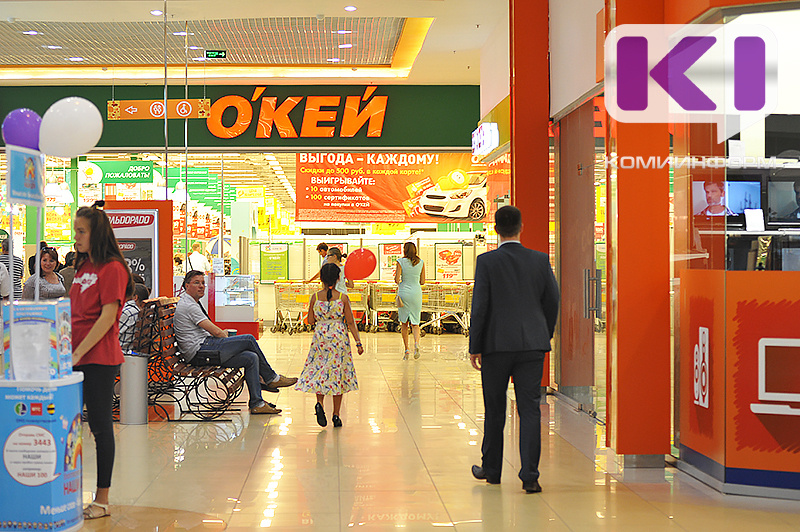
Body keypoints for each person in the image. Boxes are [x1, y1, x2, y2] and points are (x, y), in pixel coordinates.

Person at [469, 205, 559, 494]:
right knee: (530, 409)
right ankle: (530, 476)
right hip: (532, 346)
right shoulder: (539, 260)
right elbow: (552, 300)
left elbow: (480, 306)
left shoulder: (487, 262)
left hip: (495, 346)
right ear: (522, 227)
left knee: (495, 408)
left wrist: (475, 346)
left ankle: (492, 470)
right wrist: (542, 333)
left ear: (496, 230)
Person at [70, 201, 135, 519]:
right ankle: (67, 490)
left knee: (100, 426)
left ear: (96, 233)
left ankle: (102, 499)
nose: (76, 238)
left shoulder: (112, 269)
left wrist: (79, 352)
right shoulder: (83, 267)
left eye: (81, 231)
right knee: (69, 426)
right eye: (75, 231)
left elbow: (108, 316)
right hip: (73, 357)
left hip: (98, 359)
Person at [173, 270, 297, 415]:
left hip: (203, 347)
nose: (201, 286)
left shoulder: (191, 302)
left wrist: (225, 338)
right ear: (186, 285)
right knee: (248, 339)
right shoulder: (189, 305)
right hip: (199, 352)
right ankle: (271, 378)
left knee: (251, 357)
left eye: (203, 283)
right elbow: (216, 332)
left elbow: (212, 332)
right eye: (196, 283)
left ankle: (257, 403)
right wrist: (225, 336)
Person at [295, 263, 363, 428]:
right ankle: (336, 415)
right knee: (337, 374)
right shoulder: (342, 298)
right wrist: (358, 342)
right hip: (338, 338)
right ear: (338, 278)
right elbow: (351, 322)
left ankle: (320, 404)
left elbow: (310, 320)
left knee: (320, 370)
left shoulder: (315, 297)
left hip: (321, 338)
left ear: (322, 279)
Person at [395, 242, 425, 360]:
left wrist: (401, 280)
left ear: (405, 250)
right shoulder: (421, 262)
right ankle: (416, 343)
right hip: (416, 293)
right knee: (415, 323)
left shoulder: (400, 261)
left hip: (404, 293)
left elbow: (397, 279)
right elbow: (422, 281)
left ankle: (407, 350)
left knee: (404, 323)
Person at [118, 283, 150, 354]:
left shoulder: (127, 313)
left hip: (121, 353)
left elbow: (112, 336)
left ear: (135, 297)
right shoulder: (145, 313)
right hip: (133, 353)